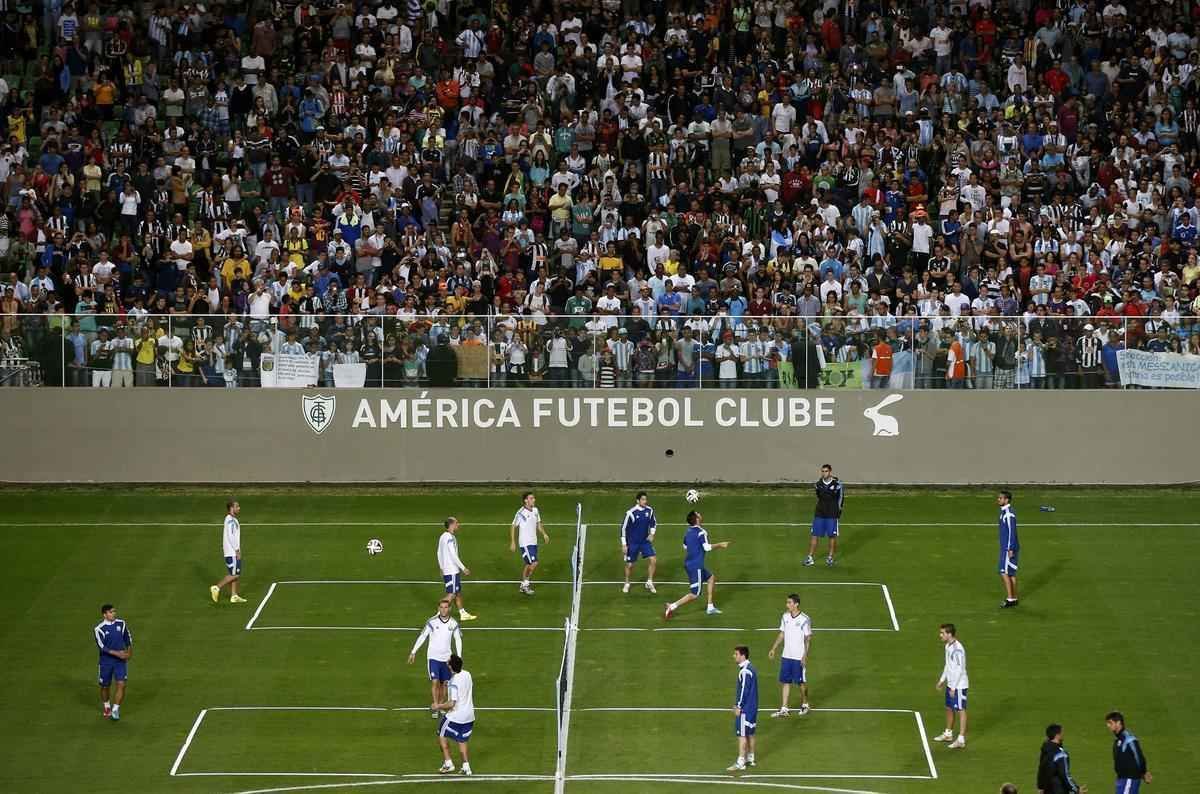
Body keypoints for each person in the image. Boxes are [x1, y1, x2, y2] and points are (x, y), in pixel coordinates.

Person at [664, 511, 731, 619]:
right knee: (695, 594)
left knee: (711, 578)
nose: (700, 514)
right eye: (698, 514)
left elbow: (685, 546)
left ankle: (710, 607)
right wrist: (720, 544)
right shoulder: (701, 532)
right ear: (697, 519)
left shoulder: (688, 532)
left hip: (690, 563)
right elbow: (707, 548)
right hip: (696, 566)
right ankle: (672, 606)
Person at [408, 599, 464, 720]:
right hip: (433, 657)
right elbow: (423, 636)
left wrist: (458, 657)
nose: (443, 609)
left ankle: (440, 706)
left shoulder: (453, 623)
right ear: (438, 609)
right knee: (435, 681)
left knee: (445, 684)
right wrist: (413, 651)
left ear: (449, 609)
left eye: (446, 607)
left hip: (446, 659)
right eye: (441, 607)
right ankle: (435, 707)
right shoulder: (432, 622)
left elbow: (458, 639)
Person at [768, 593, 812, 717]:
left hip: (798, 657)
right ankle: (784, 708)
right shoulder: (785, 617)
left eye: (789, 602)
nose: (787, 605)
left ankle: (805, 704)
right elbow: (782, 634)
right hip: (786, 655)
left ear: (796, 604)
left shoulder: (804, 619)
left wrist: (805, 656)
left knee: (800, 682)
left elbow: (808, 639)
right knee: (785, 681)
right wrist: (774, 648)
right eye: (787, 602)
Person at [433, 654, 475, 776]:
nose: (446, 663)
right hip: (469, 716)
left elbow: (452, 703)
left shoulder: (453, 682)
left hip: (457, 716)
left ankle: (448, 763)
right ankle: (466, 767)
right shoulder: (467, 674)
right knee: (462, 740)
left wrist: (438, 706)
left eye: (448, 662)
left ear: (451, 667)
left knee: (441, 733)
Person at [94, 603, 132, 721]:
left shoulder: (121, 624)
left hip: (119, 662)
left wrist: (129, 652)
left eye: (114, 611)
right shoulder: (99, 629)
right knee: (105, 686)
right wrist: (118, 654)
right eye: (111, 612)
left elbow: (128, 638)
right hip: (106, 662)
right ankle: (107, 707)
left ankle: (115, 709)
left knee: (122, 684)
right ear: (104, 615)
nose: (113, 614)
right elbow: (102, 647)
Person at [933, 623, 968, 749]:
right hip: (951, 684)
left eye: (942, 633)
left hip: (959, 685)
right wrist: (942, 680)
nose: (940, 635)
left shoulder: (957, 650)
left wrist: (954, 687)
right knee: (949, 708)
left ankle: (961, 739)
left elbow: (960, 669)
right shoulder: (948, 646)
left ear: (949, 634)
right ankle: (948, 734)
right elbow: (948, 665)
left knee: (961, 710)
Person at [509, 492, 550, 595]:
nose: (534, 500)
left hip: (533, 542)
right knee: (534, 563)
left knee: (529, 564)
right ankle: (525, 584)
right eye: (531, 498)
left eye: (534, 498)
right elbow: (513, 526)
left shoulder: (535, 510)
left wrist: (544, 534)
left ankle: (523, 585)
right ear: (526, 500)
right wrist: (513, 542)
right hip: (525, 543)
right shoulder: (521, 513)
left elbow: (538, 524)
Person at [438, 517, 477, 621]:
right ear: (451, 525)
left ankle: (462, 613)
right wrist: (463, 568)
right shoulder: (449, 538)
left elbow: (438, 553)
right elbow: (453, 555)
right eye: (456, 523)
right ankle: (439, 614)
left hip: (447, 569)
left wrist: (441, 567)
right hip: (452, 570)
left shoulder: (443, 536)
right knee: (451, 594)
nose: (458, 525)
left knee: (457, 593)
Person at [727, 645, 759, 772]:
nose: (734, 656)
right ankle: (750, 758)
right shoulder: (752, 668)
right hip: (753, 708)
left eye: (736, 654)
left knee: (742, 735)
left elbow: (744, 691)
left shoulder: (745, 671)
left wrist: (738, 706)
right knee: (750, 733)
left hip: (745, 709)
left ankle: (741, 761)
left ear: (742, 655)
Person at [805, 464, 843, 567]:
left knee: (832, 536)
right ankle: (810, 557)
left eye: (826, 471)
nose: (824, 473)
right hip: (820, 513)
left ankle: (830, 558)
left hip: (832, 514)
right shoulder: (818, 484)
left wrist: (838, 511)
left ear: (830, 472)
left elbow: (841, 498)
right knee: (814, 535)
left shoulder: (837, 484)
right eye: (822, 471)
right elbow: (818, 496)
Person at [620, 491, 658, 594]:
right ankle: (627, 583)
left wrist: (652, 534)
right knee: (630, 565)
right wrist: (624, 544)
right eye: (643, 499)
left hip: (645, 542)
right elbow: (623, 528)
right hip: (633, 543)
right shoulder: (631, 513)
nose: (645, 501)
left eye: (646, 499)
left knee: (653, 560)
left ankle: (649, 582)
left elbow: (654, 523)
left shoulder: (649, 511)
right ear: (638, 501)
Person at [210, 501, 247, 604]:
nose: (239, 508)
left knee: (235, 574)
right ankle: (216, 587)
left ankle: (234, 596)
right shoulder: (230, 520)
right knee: (235, 574)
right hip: (232, 552)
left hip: (233, 551)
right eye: (237, 506)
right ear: (231, 508)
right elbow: (230, 536)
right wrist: (236, 550)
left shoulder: (233, 519)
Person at [1107, 711, 1152, 792]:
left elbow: (1139, 757)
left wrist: (1144, 772)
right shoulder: (1118, 740)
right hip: (1122, 780)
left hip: (1129, 780)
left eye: (1110, 723)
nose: (1108, 725)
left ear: (1118, 723)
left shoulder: (1129, 739)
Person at [1037, 723, 1084, 793]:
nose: (1063, 734)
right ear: (1057, 735)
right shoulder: (1061, 754)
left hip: (1047, 790)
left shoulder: (1045, 750)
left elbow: (1041, 770)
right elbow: (1065, 775)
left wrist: (1041, 787)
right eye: (1062, 732)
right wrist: (1076, 789)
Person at [998, 489, 1020, 608]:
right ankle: (1014, 597)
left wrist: (1010, 548)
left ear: (1006, 500)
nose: (998, 500)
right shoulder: (1004, 512)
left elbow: (1012, 532)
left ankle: (1010, 598)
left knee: (1003, 572)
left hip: (1008, 549)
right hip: (1007, 547)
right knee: (1011, 574)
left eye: (1000, 498)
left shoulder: (1008, 514)